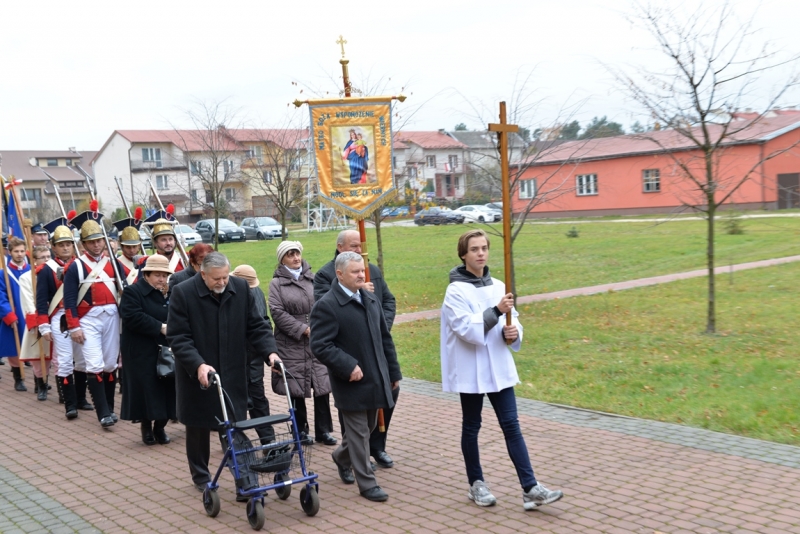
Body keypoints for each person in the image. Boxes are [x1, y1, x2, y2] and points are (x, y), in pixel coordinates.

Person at [441, 229, 563, 511]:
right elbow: (464, 328)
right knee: (472, 425)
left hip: (498, 366)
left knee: (511, 424)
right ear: (463, 254)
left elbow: (513, 319)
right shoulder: (455, 290)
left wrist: (513, 332)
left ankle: (530, 488)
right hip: (472, 368)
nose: (481, 253)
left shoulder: (498, 285)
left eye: (484, 248)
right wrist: (496, 311)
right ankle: (476, 483)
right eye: (474, 249)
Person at [167, 252, 281, 493]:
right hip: (199, 374)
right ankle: (201, 476)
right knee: (198, 429)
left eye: (225, 277)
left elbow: (256, 325)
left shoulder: (240, 288)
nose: (222, 283)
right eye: (216, 279)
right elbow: (178, 337)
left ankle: (245, 480)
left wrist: (270, 352)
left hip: (231, 372)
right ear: (203, 274)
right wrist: (198, 364)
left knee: (234, 427)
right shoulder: (183, 292)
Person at [310, 251, 401, 503]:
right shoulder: (327, 305)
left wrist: (393, 371)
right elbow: (319, 345)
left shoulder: (370, 298)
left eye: (362, 270)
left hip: (375, 377)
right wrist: (348, 365)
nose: (362, 275)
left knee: (368, 428)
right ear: (340, 274)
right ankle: (367, 484)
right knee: (360, 433)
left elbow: (384, 339)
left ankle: (341, 456)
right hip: (350, 382)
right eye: (355, 271)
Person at [268, 241, 335, 447]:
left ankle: (323, 431)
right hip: (291, 343)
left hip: (316, 340)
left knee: (322, 386)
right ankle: (301, 431)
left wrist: (320, 327)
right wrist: (303, 329)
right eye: (290, 254)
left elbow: (325, 303)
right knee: (296, 388)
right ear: (282, 259)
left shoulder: (313, 278)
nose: (296, 258)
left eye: (297, 253)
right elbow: (277, 312)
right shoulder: (277, 284)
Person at [63, 209, 126, 428]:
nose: (96, 245)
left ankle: (110, 407)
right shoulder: (76, 266)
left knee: (110, 363)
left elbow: (124, 291)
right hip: (87, 319)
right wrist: (74, 326)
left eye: (99, 240)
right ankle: (103, 413)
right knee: (94, 363)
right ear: (83, 244)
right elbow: (69, 300)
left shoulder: (114, 263)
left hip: (112, 317)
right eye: (91, 241)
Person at [119, 255, 177, 446]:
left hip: (166, 348)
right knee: (147, 389)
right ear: (147, 275)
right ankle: (146, 426)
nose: (162, 279)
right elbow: (131, 316)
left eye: (164, 275)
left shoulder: (171, 292)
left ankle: (160, 427)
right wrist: (159, 326)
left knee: (168, 389)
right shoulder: (133, 292)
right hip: (141, 350)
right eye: (157, 275)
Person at [37, 219, 91, 418]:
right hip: (59, 318)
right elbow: (41, 300)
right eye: (61, 245)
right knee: (66, 360)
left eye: (68, 244)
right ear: (53, 247)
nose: (65, 248)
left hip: (80, 316)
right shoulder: (46, 269)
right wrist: (44, 325)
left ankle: (81, 398)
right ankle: (70, 404)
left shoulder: (81, 265)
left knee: (82, 360)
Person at [230, 264, 275, 446]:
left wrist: (267, 350)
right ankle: (234, 442)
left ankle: (268, 441)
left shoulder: (256, 294)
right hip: (234, 360)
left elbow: (263, 323)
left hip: (253, 357)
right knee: (234, 403)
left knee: (258, 399)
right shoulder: (229, 296)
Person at [19, 245, 52, 400]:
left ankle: (59, 387)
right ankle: (41, 384)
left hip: (55, 317)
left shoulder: (56, 273)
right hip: (40, 318)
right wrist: (37, 321)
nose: (46, 260)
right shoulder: (27, 278)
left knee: (55, 356)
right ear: (34, 260)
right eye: (42, 257)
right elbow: (28, 301)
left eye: (48, 257)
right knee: (39, 355)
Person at [0, 236, 31, 391]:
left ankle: (40, 381)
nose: (20, 254)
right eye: (16, 251)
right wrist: (9, 315)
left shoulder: (31, 270)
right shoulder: (4, 273)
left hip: (30, 312)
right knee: (14, 347)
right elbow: (1, 296)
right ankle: (18, 378)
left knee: (34, 345)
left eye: (22, 251)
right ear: (10, 252)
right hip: (15, 313)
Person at [113, 214, 144, 287]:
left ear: (139, 245)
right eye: (128, 247)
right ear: (122, 246)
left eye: (134, 246)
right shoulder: (117, 264)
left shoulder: (145, 261)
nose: (132, 250)